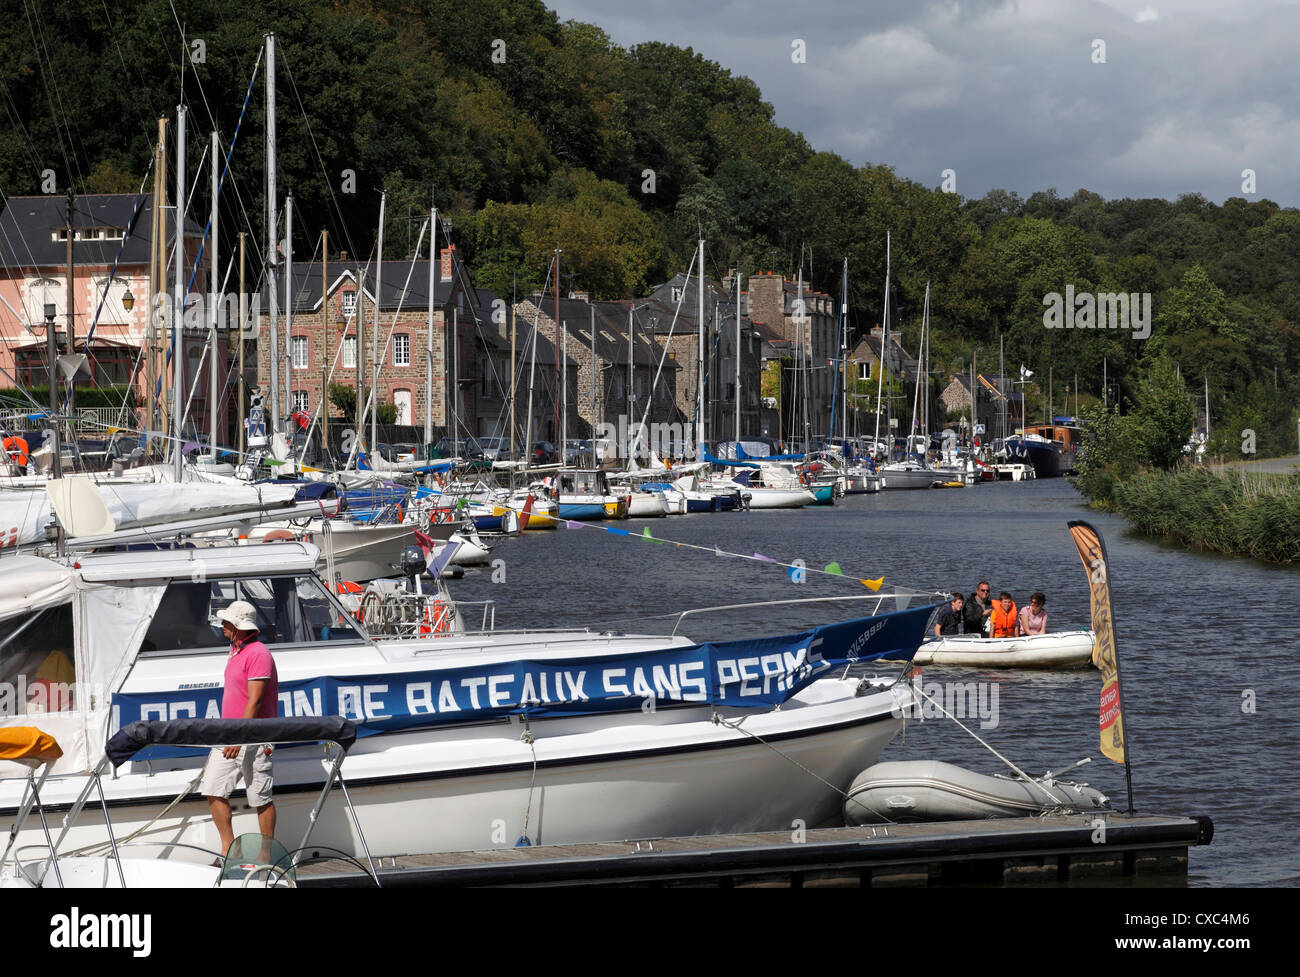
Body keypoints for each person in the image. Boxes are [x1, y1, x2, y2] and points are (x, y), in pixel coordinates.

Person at [201, 600, 278, 860]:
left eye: (227, 622)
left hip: (253, 737)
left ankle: (265, 854)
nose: (222, 625)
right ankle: (230, 850)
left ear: (239, 627)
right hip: (230, 733)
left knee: (260, 798)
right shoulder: (235, 650)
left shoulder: (258, 653)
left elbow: (254, 701)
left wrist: (238, 736)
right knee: (213, 787)